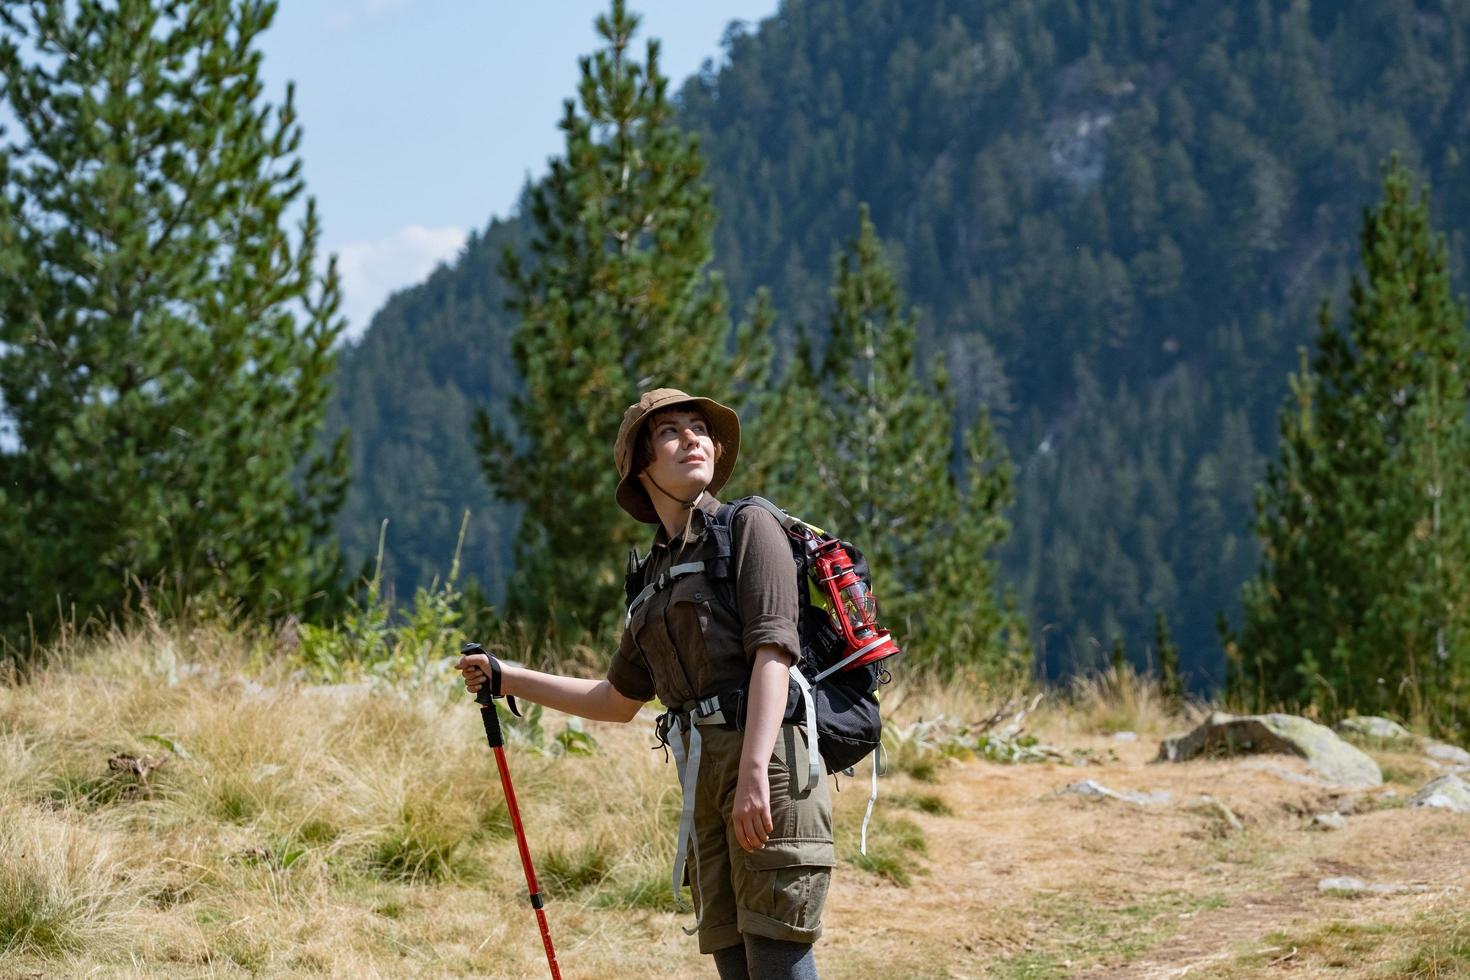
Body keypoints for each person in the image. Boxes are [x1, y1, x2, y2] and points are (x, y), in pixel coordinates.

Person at [457, 388, 831, 980]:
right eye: (670, 432)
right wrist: (508, 678)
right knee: (735, 961)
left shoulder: (750, 527)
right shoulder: (652, 579)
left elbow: (773, 655)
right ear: (641, 465)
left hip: (769, 760)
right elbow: (615, 700)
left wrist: (755, 772)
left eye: (699, 428)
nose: (692, 439)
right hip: (704, 772)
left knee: (776, 951)